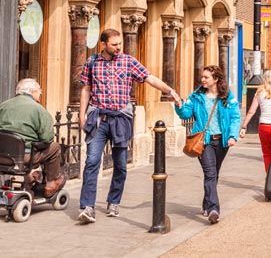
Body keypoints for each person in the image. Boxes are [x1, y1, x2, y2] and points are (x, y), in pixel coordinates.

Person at [78, 28, 182, 224]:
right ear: (104, 44)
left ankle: (113, 202)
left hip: (120, 120)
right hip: (98, 118)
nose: (118, 47)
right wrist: (82, 115)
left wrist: (171, 91)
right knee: (92, 162)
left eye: (120, 44)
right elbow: (86, 89)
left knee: (120, 165)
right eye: (114, 44)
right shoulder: (92, 62)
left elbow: (150, 78)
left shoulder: (128, 61)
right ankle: (87, 207)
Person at [174, 65, 239, 224]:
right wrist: (179, 104)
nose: (202, 79)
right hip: (204, 141)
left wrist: (232, 136)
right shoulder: (196, 96)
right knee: (210, 173)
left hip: (222, 141)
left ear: (215, 79)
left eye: (206, 77)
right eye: (202, 77)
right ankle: (213, 209)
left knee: (214, 173)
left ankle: (206, 203)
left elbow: (235, 117)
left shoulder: (227, 97)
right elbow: (186, 114)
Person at [0, 79, 66, 196]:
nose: (40, 93)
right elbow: (47, 138)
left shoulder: (3, 106)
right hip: (23, 157)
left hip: (2, 155)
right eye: (39, 90)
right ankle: (51, 182)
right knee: (54, 147)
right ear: (31, 91)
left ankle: (28, 178)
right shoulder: (38, 109)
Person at [239, 70, 271, 172]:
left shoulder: (259, 92)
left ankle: (269, 177)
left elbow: (251, 111)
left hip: (264, 127)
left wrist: (243, 127)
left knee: (267, 154)